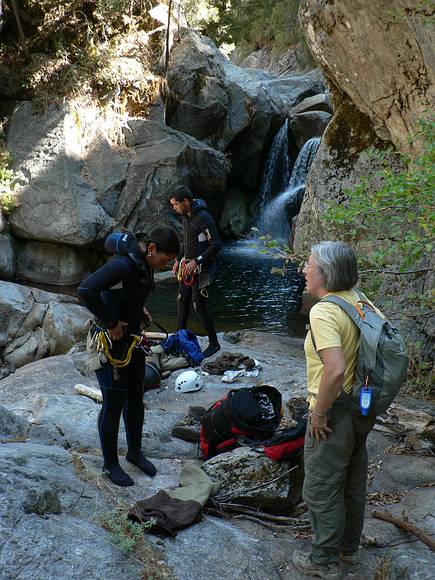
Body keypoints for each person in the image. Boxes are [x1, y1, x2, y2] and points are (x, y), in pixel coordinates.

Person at [292, 241, 382, 579]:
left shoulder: (324, 311)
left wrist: (318, 413)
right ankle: (349, 553)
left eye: (309, 264)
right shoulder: (361, 301)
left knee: (321, 485)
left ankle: (323, 562)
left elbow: (334, 370)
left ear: (325, 273)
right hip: (362, 408)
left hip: (335, 411)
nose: (304, 269)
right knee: (352, 481)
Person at [78, 227, 180, 487]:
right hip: (110, 344)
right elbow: (86, 290)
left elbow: (124, 294)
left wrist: (140, 310)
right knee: (113, 403)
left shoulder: (141, 265)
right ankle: (110, 465)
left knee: (135, 397)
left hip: (131, 341)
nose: (164, 265)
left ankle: (135, 452)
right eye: (164, 260)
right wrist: (111, 321)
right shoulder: (123, 264)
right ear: (152, 248)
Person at [169, 185, 222, 358]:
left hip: (202, 270)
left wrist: (197, 260)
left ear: (186, 201)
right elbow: (186, 243)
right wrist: (178, 259)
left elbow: (216, 245)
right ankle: (179, 338)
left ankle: (214, 343)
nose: (174, 208)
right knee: (182, 302)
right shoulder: (187, 217)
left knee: (200, 307)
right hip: (187, 269)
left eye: (176, 204)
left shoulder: (204, 218)